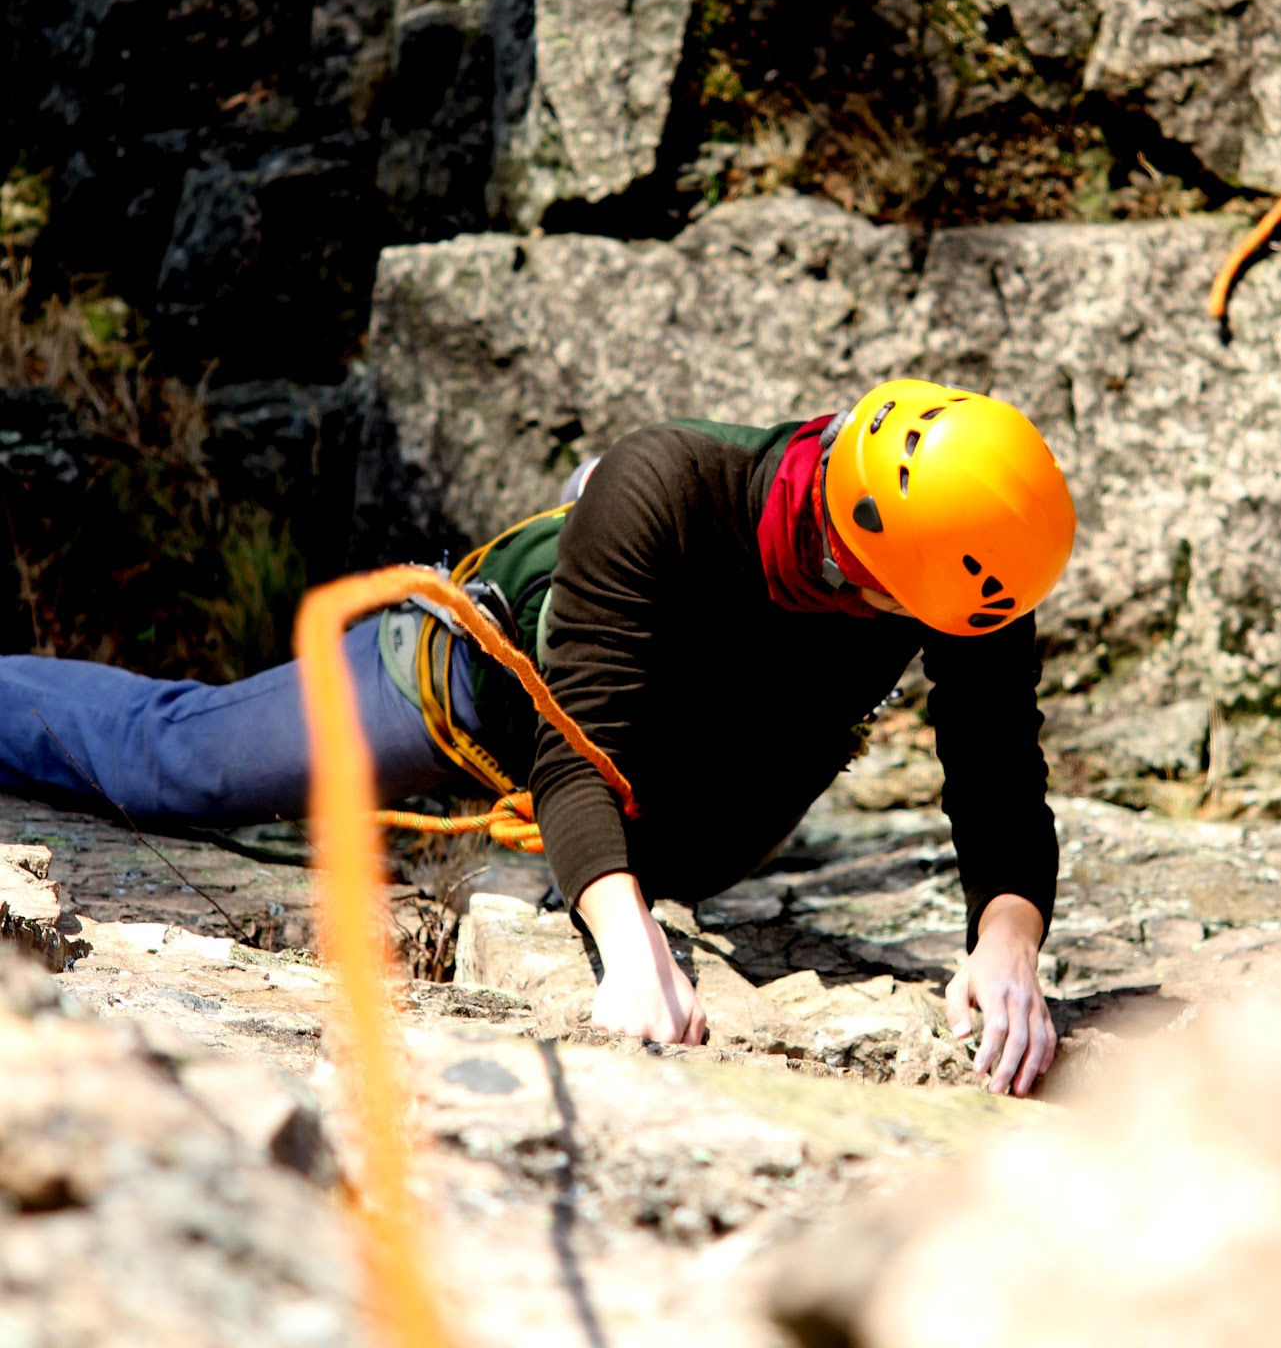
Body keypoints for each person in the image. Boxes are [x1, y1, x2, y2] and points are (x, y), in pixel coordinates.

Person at [0, 378, 1076, 1097]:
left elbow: (998, 777)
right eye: (887, 606)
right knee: (176, 763)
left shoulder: (967, 572)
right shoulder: (673, 484)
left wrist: (1008, 945)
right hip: (476, 689)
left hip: (679, 783)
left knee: (662, 841)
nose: (903, 629)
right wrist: (629, 945)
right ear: (852, 553)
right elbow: (576, 749)